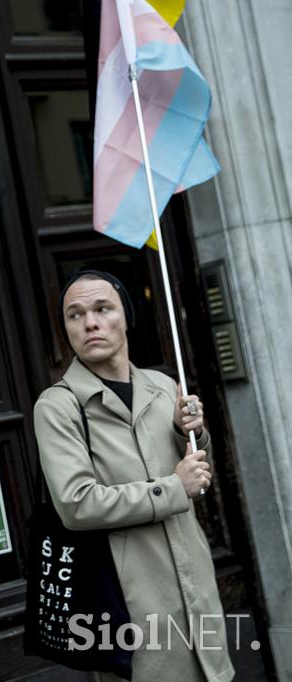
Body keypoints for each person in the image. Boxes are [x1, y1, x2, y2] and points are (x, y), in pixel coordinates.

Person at [33, 270, 234, 682]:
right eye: (75, 315)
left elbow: (198, 473)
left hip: (197, 597)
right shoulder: (58, 407)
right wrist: (174, 487)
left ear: (126, 316)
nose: (89, 322)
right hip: (129, 610)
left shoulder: (163, 387)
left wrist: (188, 434)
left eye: (102, 309)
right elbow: (77, 504)